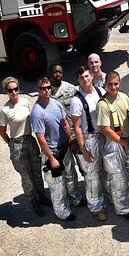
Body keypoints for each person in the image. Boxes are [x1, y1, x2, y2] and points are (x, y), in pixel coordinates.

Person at [0, 76, 49, 217]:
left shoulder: (25, 102)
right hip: (17, 144)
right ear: (6, 92)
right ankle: (33, 201)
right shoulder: (5, 110)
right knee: (26, 175)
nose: (14, 92)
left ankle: (42, 196)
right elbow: (2, 132)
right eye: (10, 90)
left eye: (16, 89)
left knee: (36, 170)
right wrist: (11, 144)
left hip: (30, 141)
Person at [97, 71, 129, 224]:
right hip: (114, 143)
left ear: (119, 83)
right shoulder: (103, 104)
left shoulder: (124, 98)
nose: (113, 87)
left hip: (128, 140)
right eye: (110, 84)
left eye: (116, 84)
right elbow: (106, 129)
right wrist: (123, 143)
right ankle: (123, 209)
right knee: (119, 178)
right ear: (105, 85)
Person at [31, 77, 77, 221]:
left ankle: (75, 198)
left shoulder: (56, 104)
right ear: (37, 90)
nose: (46, 91)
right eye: (43, 88)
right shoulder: (37, 112)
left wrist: (70, 140)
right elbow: (41, 138)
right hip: (52, 153)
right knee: (57, 186)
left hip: (64, 149)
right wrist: (51, 158)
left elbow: (64, 123)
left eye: (48, 87)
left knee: (71, 175)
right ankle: (62, 212)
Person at [70, 66, 109, 221]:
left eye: (87, 76)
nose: (85, 80)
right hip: (89, 138)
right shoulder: (76, 100)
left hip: (104, 136)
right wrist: (83, 149)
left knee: (107, 169)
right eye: (81, 78)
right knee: (92, 175)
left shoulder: (100, 91)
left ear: (92, 76)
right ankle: (96, 206)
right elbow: (77, 127)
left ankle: (108, 196)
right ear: (78, 80)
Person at [49, 63, 84, 199]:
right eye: (55, 72)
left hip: (75, 136)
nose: (58, 75)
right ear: (50, 74)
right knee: (67, 169)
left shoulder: (70, 89)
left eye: (60, 72)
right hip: (60, 139)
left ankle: (91, 190)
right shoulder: (47, 93)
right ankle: (72, 195)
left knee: (84, 166)